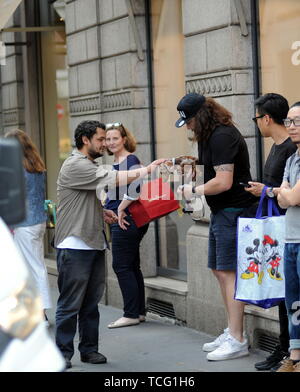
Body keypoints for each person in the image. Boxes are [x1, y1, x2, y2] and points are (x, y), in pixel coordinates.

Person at [54, 120, 164, 369]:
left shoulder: (87, 164)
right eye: (101, 139)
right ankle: (61, 354)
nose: (105, 144)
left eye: (106, 139)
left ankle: (89, 350)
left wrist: (101, 213)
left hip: (92, 242)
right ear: (85, 140)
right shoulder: (75, 164)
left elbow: (82, 198)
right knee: (70, 304)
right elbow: (113, 178)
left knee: (91, 304)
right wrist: (146, 170)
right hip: (74, 244)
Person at [175, 93, 256, 361]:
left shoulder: (222, 136)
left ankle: (237, 338)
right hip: (223, 212)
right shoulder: (211, 135)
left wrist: (192, 189)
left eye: (189, 121)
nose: (187, 126)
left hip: (234, 211)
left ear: (202, 115)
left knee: (228, 272)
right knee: (220, 271)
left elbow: (223, 181)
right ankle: (233, 331)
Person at [243, 93, 296, 371]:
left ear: (266, 118)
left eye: (256, 118)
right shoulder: (278, 148)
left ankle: (288, 350)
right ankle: (285, 348)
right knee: (284, 292)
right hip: (278, 229)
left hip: (289, 229)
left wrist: (267, 191)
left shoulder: (289, 149)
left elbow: (285, 193)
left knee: (290, 294)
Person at [104, 123, 148, 328]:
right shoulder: (116, 161)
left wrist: (120, 208)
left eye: (115, 138)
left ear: (124, 139)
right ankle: (138, 312)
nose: (111, 142)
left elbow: (137, 187)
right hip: (123, 218)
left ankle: (130, 313)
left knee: (121, 265)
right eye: (107, 139)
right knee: (131, 265)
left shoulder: (130, 159)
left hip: (126, 219)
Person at [5, 129, 52, 319]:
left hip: (24, 224)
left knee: (33, 268)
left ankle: (40, 314)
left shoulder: (18, 170)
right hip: (37, 221)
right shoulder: (36, 166)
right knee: (33, 266)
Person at [276, 102, 300, 372]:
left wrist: (287, 193)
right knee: (293, 300)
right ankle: (295, 357)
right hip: (291, 240)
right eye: (289, 121)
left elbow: (291, 196)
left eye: (297, 121)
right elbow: (284, 201)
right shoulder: (292, 158)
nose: (292, 127)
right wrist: (287, 194)